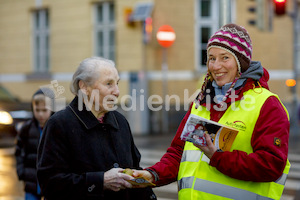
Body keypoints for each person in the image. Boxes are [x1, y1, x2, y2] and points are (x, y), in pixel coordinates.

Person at [132, 24, 290, 200]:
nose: (216, 66)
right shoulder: (201, 101)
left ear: (241, 63)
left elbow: (271, 165)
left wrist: (217, 157)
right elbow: (179, 151)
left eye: (224, 58)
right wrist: (153, 175)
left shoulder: (267, 104)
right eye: (211, 58)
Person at [36, 57, 156, 200]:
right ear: (84, 87)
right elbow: (50, 184)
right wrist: (100, 181)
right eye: (108, 84)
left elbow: (135, 170)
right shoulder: (60, 124)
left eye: (117, 83)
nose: (117, 91)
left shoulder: (121, 121)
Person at [15, 88, 54, 200]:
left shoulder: (56, 128)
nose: (40, 114)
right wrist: (21, 172)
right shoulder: (26, 129)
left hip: (51, 185)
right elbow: (19, 151)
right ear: (33, 109)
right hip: (31, 184)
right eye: (37, 110)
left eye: (44, 110)